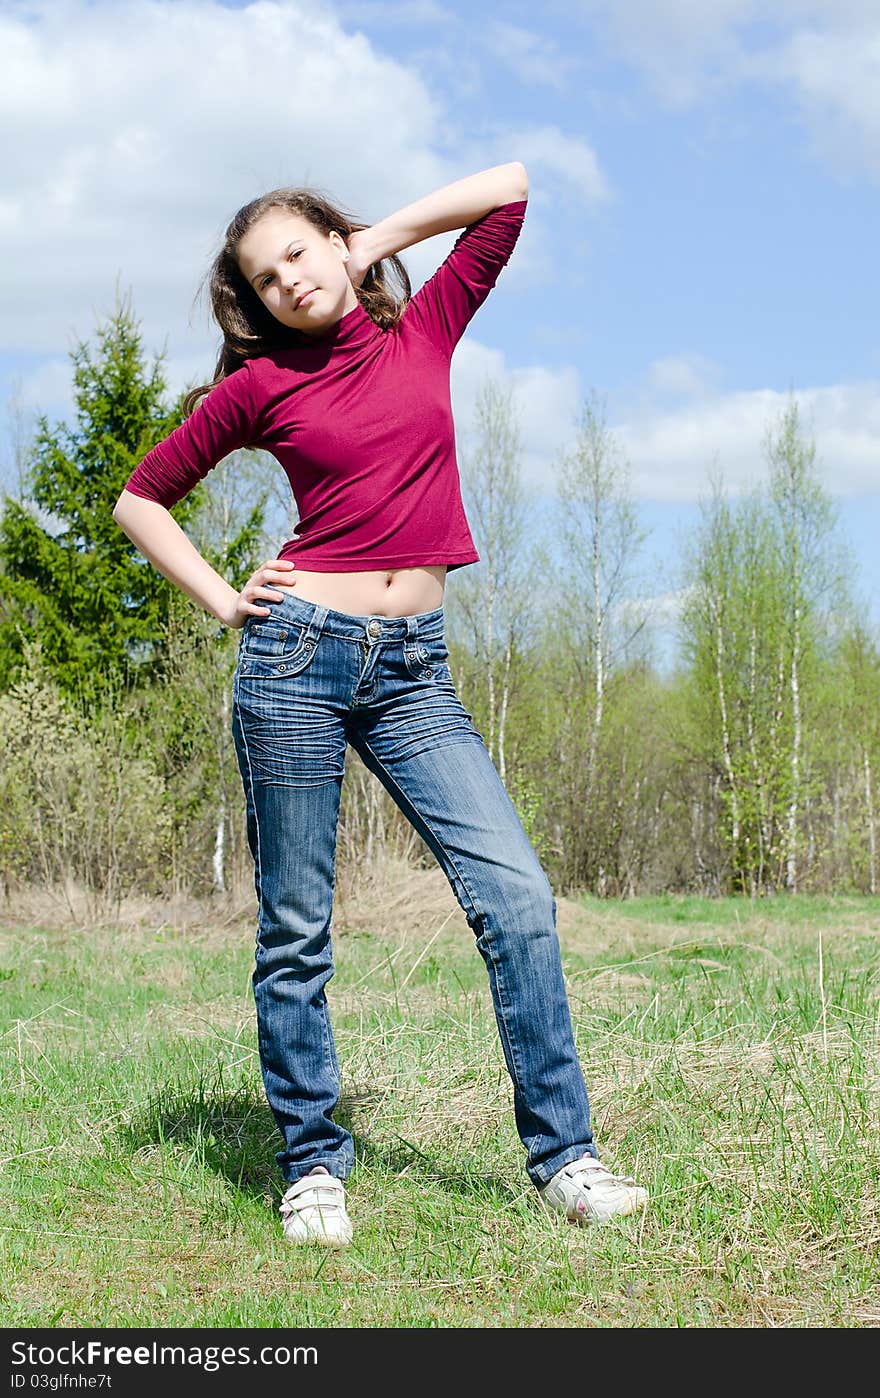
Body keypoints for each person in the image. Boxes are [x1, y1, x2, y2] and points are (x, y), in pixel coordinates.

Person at [112, 161, 647, 1247]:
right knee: (298, 927)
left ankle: (565, 1159)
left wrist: (375, 235)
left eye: (300, 251)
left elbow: (509, 191)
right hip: (295, 659)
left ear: (335, 241)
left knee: (518, 898)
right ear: (253, 302)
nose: (288, 281)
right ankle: (312, 1163)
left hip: (414, 671)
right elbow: (141, 498)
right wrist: (225, 600)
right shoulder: (260, 388)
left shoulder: (426, 328)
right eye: (264, 278)